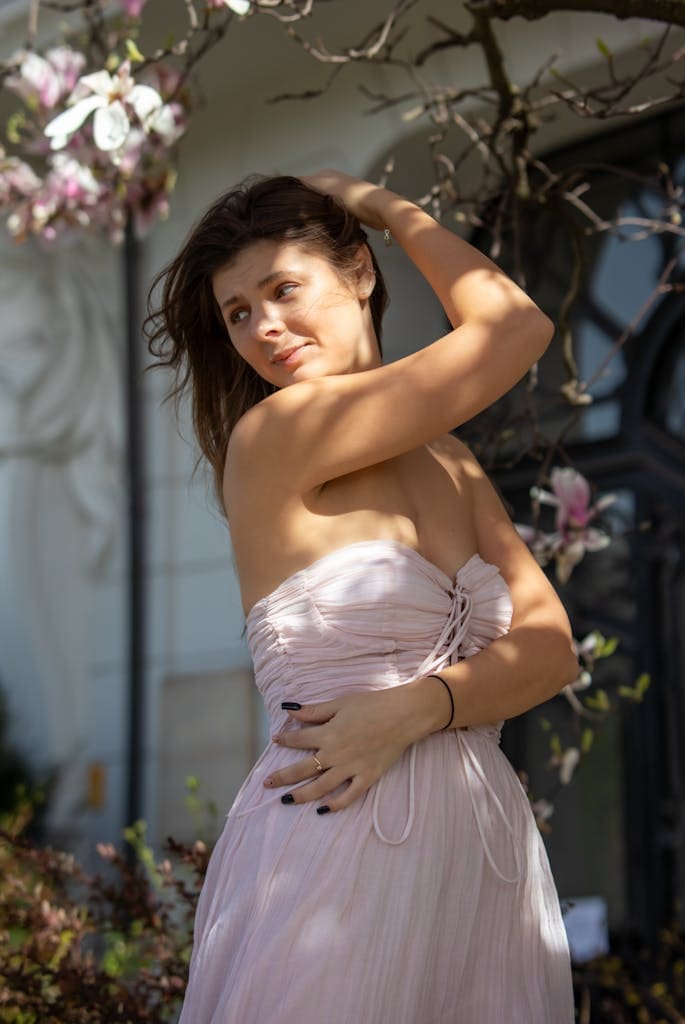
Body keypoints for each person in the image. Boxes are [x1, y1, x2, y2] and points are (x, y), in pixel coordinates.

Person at [146, 169, 579, 1023]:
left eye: (282, 289)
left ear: (360, 269)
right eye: (237, 312)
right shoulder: (275, 435)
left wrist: (421, 706)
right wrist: (388, 206)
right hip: (336, 840)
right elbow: (511, 328)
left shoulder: (453, 463)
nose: (264, 327)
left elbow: (551, 651)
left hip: (482, 860)